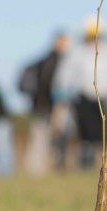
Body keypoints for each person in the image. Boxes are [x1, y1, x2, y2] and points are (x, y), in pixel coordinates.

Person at [53, 17, 107, 170]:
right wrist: (60, 93)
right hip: (83, 98)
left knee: (102, 133)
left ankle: (102, 163)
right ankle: (86, 162)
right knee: (85, 133)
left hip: (104, 98)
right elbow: (64, 74)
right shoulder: (77, 52)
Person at [19, 31, 69, 174]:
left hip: (43, 107)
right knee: (42, 138)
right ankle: (37, 170)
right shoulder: (52, 62)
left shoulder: (49, 61)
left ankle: (46, 169)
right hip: (47, 107)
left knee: (46, 138)